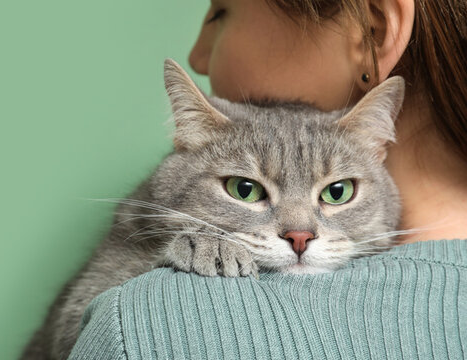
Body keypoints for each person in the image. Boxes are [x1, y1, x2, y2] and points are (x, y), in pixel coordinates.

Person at [69, 0, 467, 358]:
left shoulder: (146, 326)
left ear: (373, 30)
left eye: (221, 12)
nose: (300, 233)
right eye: (246, 189)